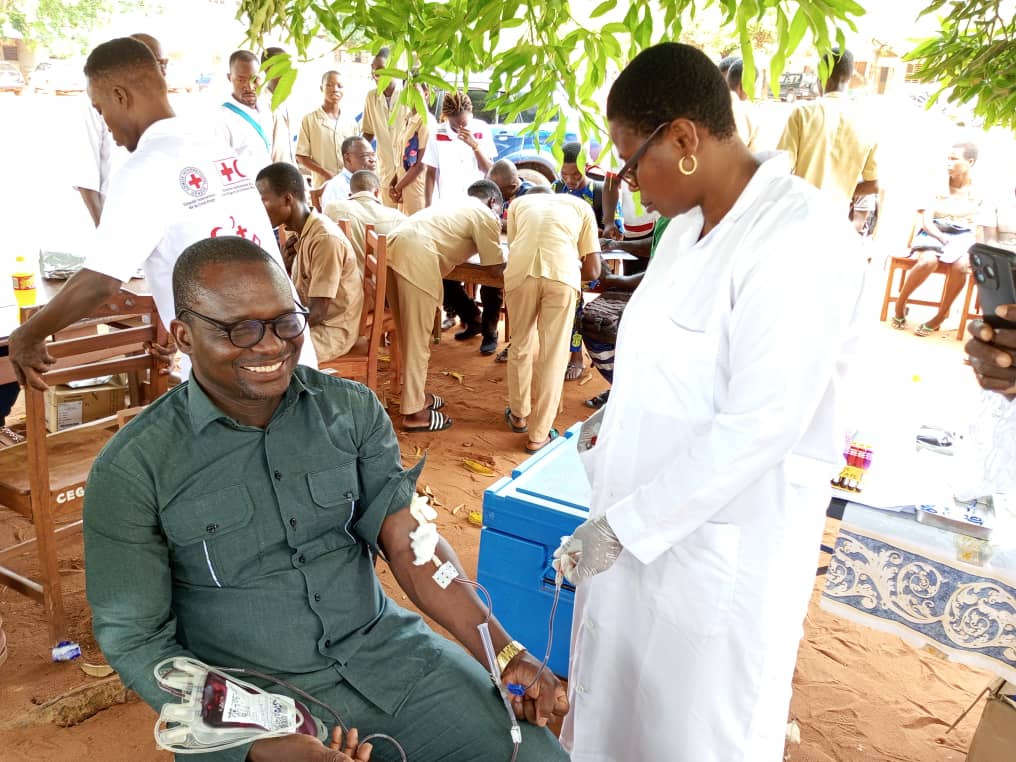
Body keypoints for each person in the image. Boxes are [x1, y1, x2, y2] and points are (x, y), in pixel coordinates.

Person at [83, 237, 569, 762]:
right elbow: (136, 640)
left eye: (285, 322)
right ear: (184, 335)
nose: (270, 346)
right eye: (240, 329)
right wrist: (256, 743)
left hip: (392, 662)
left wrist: (505, 651)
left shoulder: (350, 412)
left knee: (538, 758)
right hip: (253, 707)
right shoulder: (134, 469)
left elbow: (410, 544)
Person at [553, 42, 865, 761]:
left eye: (632, 163)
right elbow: (666, 371)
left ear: (685, 139)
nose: (629, 185)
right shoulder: (686, 231)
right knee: (612, 722)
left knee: (691, 736)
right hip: (637, 534)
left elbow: (762, 423)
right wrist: (611, 425)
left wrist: (625, 528)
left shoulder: (799, 237)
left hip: (721, 557)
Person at [9, 37, 315, 388]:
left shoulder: (144, 168)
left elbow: (100, 282)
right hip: (290, 350)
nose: (105, 123)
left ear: (120, 96)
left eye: (101, 109)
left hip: (240, 372)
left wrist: (29, 334)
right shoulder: (216, 148)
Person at [386, 180, 504, 432]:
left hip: (394, 248)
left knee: (408, 334)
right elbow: (495, 268)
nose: (499, 218)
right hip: (417, 256)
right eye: (500, 212)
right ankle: (414, 414)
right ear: (493, 201)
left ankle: (415, 397)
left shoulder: (456, 203)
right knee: (418, 339)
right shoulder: (485, 214)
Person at [503, 189, 600, 452]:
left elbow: (515, 245)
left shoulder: (519, 203)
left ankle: (518, 416)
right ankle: (539, 435)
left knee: (520, 344)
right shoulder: (580, 206)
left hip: (520, 273)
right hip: (562, 275)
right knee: (554, 354)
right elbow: (594, 269)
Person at [257, 162, 362, 362]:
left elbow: (317, 313)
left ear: (287, 199)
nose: (259, 210)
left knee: (261, 352)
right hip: (310, 321)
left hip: (330, 331)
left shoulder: (324, 239)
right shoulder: (301, 232)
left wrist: (272, 329)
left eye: (263, 202)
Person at [423, 91, 500, 353]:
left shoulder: (481, 130)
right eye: (455, 122)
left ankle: (490, 330)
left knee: (491, 270)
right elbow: (430, 174)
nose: (460, 126)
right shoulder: (437, 133)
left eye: (464, 120)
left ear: (471, 114)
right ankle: (471, 316)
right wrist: (428, 207)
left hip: (481, 211)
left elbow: (491, 171)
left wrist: (474, 146)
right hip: (449, 214)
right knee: (441, 268)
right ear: (446, 117)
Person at [892, 142, 988, 336]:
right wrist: (942, 238)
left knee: (961, 266)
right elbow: (927, 221)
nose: (948, 163)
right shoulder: (935, 184)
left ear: (970, 162)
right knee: (928, 261)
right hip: (935, 231)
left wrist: (979, 252)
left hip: (963, 235)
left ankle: (939, 317)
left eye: (954, 159)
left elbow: (979, 228)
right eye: (948, 158)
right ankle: (900, 305)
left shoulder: (980, 191)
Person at [72, 32, 166, 226]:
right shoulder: (95, 105)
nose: (162, 71)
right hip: (117, 216)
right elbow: (86, 175)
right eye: (156, 63)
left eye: (164, 63)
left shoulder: (163, 108)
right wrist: (103, 229)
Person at [777, 48, 879, 213]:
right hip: (836, 218)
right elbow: (875, 183)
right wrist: (845, 192)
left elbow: (779, 169)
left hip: (801, 212)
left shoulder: (802, 113)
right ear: (850, 77)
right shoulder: (867, 123)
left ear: (821, 77)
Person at [323, 170, 406, 274]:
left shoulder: (332, 208)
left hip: (344, 278)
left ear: (350, 193)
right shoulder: (398, 217)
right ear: (377, 192)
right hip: (382, 280)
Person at [297, 71, 358, 190]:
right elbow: (301, 156)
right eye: (329, 85)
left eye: (340, 86)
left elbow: (356, 155)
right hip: (322, 185)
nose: (335, 89)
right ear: (321, 88)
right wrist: (326, 174)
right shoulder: (310, 120)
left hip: (348, 186)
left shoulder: (351, 122)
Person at [218, 50, 273, 172]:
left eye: (255, 79)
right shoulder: (222, 119)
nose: (249, 87)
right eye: (241, 80)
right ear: (229, 78)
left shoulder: (265, 110)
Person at [361, 47, 402, 209]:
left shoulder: (408, 94)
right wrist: (360, 158)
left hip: (409, 174)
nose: (375, 74)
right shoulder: (371, 97)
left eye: (380, 69)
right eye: (373, 69)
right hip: (385, 173)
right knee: (389, 219)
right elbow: (368, 133)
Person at [390, 82, 436, 216]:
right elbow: (404, 160)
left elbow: (421, 164)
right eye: (407, 91)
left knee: (417, 225)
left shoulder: (426, 121)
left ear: (426, 94)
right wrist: (394, 183)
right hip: (404, 187)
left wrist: (397, 188)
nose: (411, 95)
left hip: (417, 190)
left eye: (415, 90)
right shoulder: (409, 119)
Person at [319, 136, 378, 208]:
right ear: (348, 158)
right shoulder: (337, 187)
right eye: (365, 155)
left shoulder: (373, 182)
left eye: (373, 155)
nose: (372, 160)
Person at [262, 46, 296, 165]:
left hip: (289, 171)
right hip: (273, 173)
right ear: (267, 70)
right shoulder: (262, 104)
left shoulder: (288, 102)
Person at [726, 58, 761, 151]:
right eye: (755, 85)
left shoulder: (709, 104)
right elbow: (754, 155)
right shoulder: (749, 113)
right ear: (745, 85)